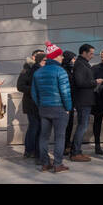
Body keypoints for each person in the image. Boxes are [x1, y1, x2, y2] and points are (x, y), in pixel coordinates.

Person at [31, 42, 73, 172]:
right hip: (59, 108)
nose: (62, 58)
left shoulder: (38, 72)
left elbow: (34, 93)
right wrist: (68, 108)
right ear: (55, 56)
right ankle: (58, 164)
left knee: (44, 137)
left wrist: (41, 105)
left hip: (44, 108)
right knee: (60, 137)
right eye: (60, 56)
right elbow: (65, 92)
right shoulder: (61, 71)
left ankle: (45, 163)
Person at [68, 44, 97, 161]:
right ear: (83, 53)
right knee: (82, 126)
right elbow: (80, 82)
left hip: (85, 99)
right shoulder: (80, 64)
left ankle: (76, 151)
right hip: (83, 100)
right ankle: (75, 152)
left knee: (82, 126)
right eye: (90, 53)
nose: (92, 56)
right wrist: (94, 82)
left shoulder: (82, 63)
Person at [16, 49, 45, 160]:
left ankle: (36, 150)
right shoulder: (27, 68)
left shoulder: (43, 68)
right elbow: (20, 86)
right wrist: (34, 89)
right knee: (34, 127)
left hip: (41, 103)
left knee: (39, 128)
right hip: (30, 103)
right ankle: (29, 151)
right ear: (33, 57)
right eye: (38, 55)